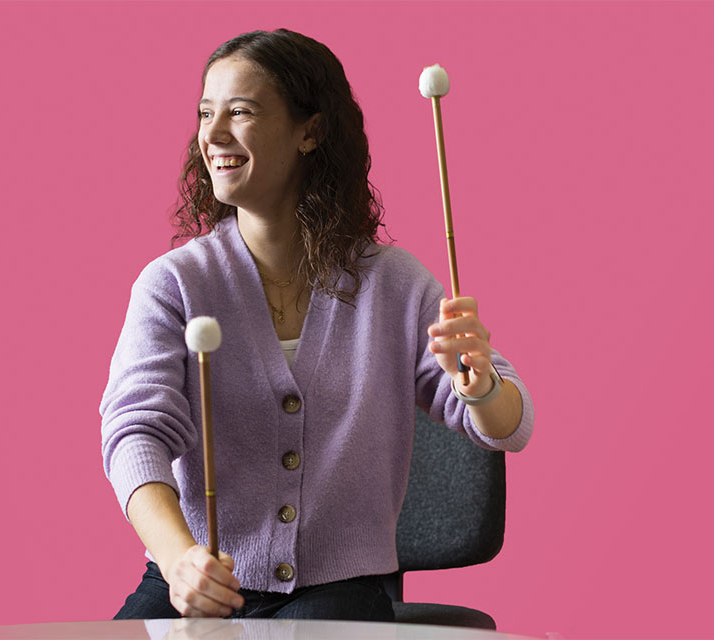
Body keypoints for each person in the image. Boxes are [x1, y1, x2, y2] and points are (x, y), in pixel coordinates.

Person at [100, 28, 533, 621]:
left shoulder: (394, 283)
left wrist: (479, 383)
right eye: (205, 112)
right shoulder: (173, 283)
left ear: (311, 130)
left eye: (241, 111)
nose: (213, 134)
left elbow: (508, 426)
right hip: (189, 576)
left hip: (340, 589)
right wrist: (180, 561)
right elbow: (133, 435)